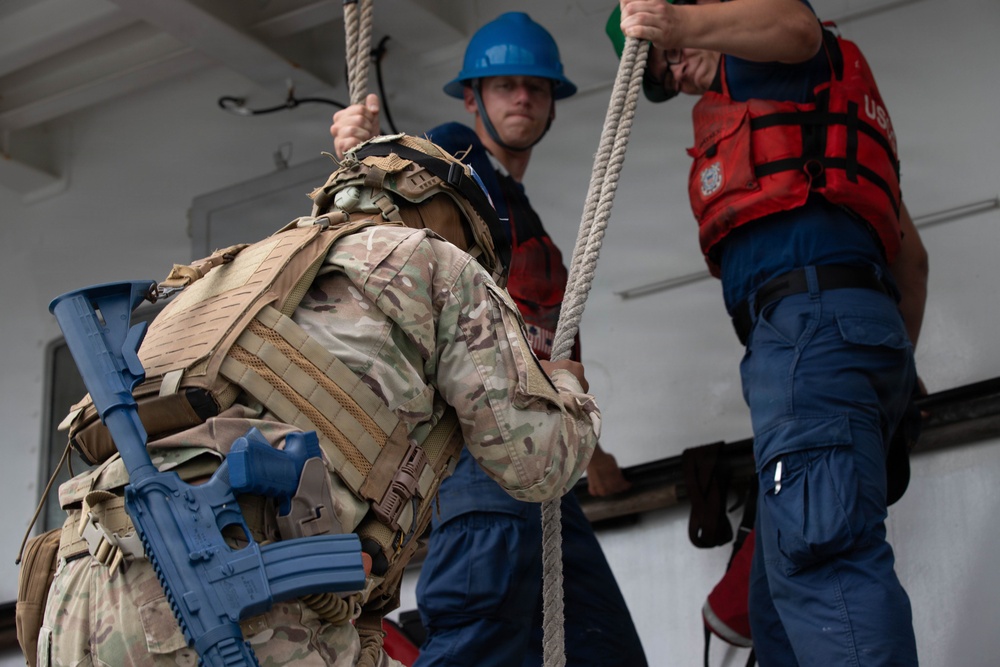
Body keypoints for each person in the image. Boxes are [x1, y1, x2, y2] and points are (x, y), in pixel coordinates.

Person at [34, 135, 602, 667]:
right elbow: (537, 464)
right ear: (457, 222)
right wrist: (567, 386)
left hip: (79, 595)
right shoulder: (436, 260)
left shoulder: (234, 272)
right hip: (230, 584)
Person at [616, 0, 929, 665]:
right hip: (855, 335)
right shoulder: (817, 112)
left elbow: (797, 24)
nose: (677, 75)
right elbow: (913, 260)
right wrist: (893, 380)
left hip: (808, 333)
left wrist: (678, 25)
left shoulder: (770, 62)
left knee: (826, 568)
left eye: (670, 60)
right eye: (665, 74)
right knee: (775, 609)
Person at [331, 12, 648, 667]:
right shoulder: (454, 159)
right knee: (483, 625)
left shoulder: (531, 231)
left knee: (602, 648)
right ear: (473, 98)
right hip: (478, 442)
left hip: (542, 461)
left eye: (535, 87)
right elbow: (387, 192)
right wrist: (357, 148)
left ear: (553, 104)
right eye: (503, 85)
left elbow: (548, 352)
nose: (522, 98)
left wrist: (594, 453)